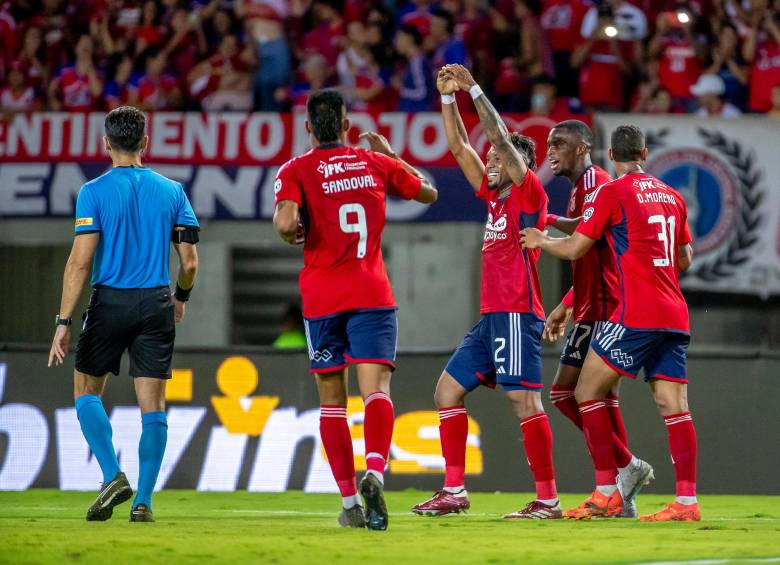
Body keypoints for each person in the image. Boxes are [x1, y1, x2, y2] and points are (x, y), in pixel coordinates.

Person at [273, 89, 438, 530]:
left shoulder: (295, 169)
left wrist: (290, 229)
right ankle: (375, 472)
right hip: (372, 294)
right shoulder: (375, 163)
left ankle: (349, 505)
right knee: (376, 391)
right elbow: (428, 193)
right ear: (347, 126)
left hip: (323, 299)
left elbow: (287, 223)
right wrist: (392, 155)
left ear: (308, 127)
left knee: (332, 402)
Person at [521, 124, 699, 522]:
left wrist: (541, 240)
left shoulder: (611, 192)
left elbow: (575, 249)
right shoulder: (672, 195)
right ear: (645, 153)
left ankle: (606, 491)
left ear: (611, 156)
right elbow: (685, 257)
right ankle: (687, 501)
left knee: (585, 392)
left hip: (634, 314)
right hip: (675, 313)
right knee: (675, 407)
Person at [412, 64, 559, 520]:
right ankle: (454, 490)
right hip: (492, 316)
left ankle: (548, 499)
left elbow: (498, 138)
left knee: (524, 401)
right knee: (446, 391)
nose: (490, 163)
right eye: (490, 160)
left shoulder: (529, 195)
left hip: (517, 312)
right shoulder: (494, 198)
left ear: (518, 167)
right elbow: (459, 146)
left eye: (498, 160)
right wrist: (447, 97)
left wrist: (474, 87)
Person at [47, 106, 200, 523]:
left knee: (85, 391)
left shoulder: (93, 192)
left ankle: (112, 474)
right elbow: (189, 261)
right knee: (154, 406)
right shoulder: (173, 192)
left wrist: (63, 322)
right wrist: (180, 297)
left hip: (110, 301)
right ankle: (143, 502)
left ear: (106, 144)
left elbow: (80, 263)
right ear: (145, 142)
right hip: (156, 302)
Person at [543, 120, 654, 518]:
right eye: (549, 143)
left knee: (570, 393)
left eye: (559, 143)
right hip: (591, 304)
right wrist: (567, 303)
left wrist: (544, 232)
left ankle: (616, 478)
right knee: (594, 397)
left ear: (583, 147)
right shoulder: (582, 189)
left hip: (606, 307)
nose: (551, 150)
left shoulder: (599, 185)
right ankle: (622, 491)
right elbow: (589, 244)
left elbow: (582, 244)